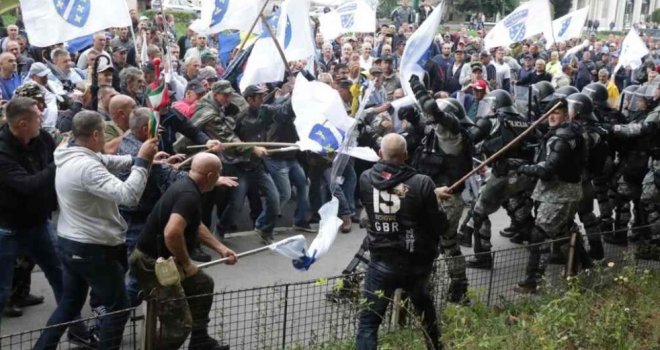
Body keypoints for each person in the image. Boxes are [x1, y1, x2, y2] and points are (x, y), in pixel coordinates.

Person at [34, 111, 158, 350]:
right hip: (93, 248)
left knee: (70, 303)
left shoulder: (68, 153)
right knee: (119, 308)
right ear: (94, 134)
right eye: (103, 132)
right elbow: (128, 196)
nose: (107, 137)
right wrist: (142, 162)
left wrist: (142, 160)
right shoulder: (86, 167)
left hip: (71, 242)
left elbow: (106, 160)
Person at [129, 153, 237, 350]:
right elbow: (172, 233)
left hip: (164, 259)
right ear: (211, 174)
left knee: (203, 284)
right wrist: (186, 263)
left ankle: (200, 341)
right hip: (151, 263)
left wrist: (220, 248)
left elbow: (194, 224)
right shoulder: (188, 194)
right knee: (178, 326)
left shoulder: (190, 188)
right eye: (219, 172)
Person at [355, 133, 443, 350]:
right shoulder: (422, 183)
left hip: (381, 261)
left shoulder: (366, 178)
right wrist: (432, 196)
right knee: (424, 311)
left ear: (379, 154)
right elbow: (439, 224)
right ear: (406, 155)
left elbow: (391, 187)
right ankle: (435, 347)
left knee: (369, 322)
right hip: (416, 260)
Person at [407, 75, 470, 303]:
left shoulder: (452, 137)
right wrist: (415, 120)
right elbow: (428, 123)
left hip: (447, 200)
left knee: (445, 245)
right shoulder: (435, 133)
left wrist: (418, 89)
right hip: (430, 196)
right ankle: (428, 287)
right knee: (434, 244)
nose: (431, 123)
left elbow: (433, 112)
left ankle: (458, 288)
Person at [516, 98, 589, 293]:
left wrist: (522, 168)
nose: (552, 116)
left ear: (566, 114)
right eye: (549, 113)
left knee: (539, 235)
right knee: (564, 234)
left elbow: (548, 170)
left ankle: (532, 281)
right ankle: (587, 267)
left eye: (557, 112)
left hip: (560, 194)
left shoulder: (564, 137)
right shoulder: (565, 132)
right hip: (563, 192)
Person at [0, 97, 61, 331]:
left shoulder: (43, 139)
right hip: (8, 228)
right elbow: (28, 185)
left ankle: (79, 331)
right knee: (2, 290)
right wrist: (57, 164)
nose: (42, 118)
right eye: (38, 116)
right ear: (23, 123)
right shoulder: (3, 152)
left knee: (60, 277)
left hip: (39, 223)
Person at [464, 89, 537, 269]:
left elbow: (469, 139)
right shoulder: (524, 121)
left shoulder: (493, 121)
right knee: (518, 207)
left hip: (502, 174)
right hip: (525, 174)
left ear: (495, 104)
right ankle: (531, 240)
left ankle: (483, 257)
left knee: (479, 212)